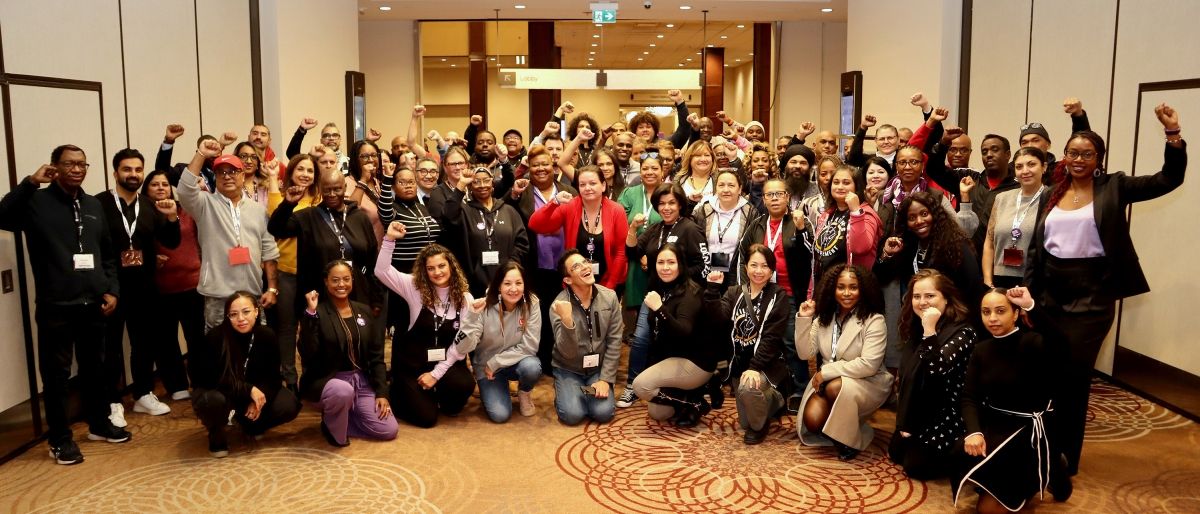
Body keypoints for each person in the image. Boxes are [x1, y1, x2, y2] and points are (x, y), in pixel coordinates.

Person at [1025, 104, 1185, 476]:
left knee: (1074, 376)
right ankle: (1041, 447)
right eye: (1073, 153)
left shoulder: (1115, 186)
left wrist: (1173, 135)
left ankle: (1065, 458)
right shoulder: (1052, 192)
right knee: (1047, 372)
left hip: (1092, 297)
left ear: (1098, 159)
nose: (1078, 160)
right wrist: (1030, 297)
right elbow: (1036, 248)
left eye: (1087, 154)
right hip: (1050, 294)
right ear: (1064, 156)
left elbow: (1168, 179)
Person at [0, 145, 131, 464]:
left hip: (93, 303)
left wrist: (112, 289)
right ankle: (60, 440)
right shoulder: (36, 202)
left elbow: (107, 253)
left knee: (95, 369)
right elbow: (2, 216)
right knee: (56, 376)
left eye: (82, 164)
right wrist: (31, 182)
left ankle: (99, 424)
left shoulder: (92, 205)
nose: (77, 169)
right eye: (69, 164)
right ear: (55, 167)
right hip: (56, 305)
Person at [952, 287, 1071, 512]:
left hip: (1028, 432)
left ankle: (1052, 464)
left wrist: (1031, 306)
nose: (992, 318)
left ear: (1016, 314)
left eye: (1000, 311)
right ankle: (1047, 465)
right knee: (962, 449)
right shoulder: (981, 350)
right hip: (996, 426)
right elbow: (969, 396)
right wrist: (974, 432)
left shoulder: (1033, 342)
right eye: (986, 312)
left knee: (987, 509)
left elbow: (1062, 343)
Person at [95, 149, 183, 419]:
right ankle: (112, 401)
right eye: (127, 169)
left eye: (137, 169)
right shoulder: (99, 204)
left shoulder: (148, 205)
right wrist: (102, 287)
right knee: (110, 347)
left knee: (144, 343)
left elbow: (171, 242)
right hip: (110, 288)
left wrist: (172, 217)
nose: (133, 174)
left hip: (144, 287)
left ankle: (143, 393)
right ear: (115, 173)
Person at [621, 182, 709, 408]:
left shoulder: (690, 229)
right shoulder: (656, 228)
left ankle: (691, 385)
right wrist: (632, 229)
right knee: (641, 339)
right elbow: (632, 251)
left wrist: (676, 277)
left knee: (677, 337)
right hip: (654, 295)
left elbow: (704, 266)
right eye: (661, 203)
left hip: (682, 297)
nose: (666, 208)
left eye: (672, 203)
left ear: (680, 205)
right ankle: (632, 385)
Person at [375, 231, 475, 428]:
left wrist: (435, 374)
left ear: (451, 266)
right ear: (424, 271)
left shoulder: (465, 299)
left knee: (463, 387)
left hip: (444, 364)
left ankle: (434, 394)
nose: (437, 272)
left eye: (441, 266)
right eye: (431, 268)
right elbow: (382, 271)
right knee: (426, 418)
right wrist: (389, 239)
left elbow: (461, 345)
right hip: (412, 367)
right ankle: (401, 391)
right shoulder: (414, 288)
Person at [178, 138, 280, 331]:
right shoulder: (204, 204)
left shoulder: (258, 210)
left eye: (233, 171)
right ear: (215, 177)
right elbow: (184, 190)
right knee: (219, 346)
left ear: (243, 175)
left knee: (255, 344)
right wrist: (201, 154)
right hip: (217, 295)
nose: (227, 176)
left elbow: (269, 251)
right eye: (221, 172)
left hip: (252, 293)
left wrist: (272, 288)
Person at [794, 264, 891, 460]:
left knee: (835, 387)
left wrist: (826, 372)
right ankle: (845, 425)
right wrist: (804, 318)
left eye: (853, 287)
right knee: (813, 421)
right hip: (828, 381)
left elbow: (869, 365)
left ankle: (849, 439)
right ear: (832, 289)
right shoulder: (823, 318)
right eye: (841, 287)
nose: (847, 293)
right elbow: (805, 354)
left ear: (863, 290)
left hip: (868, 381)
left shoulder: (874, 320)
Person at [889, 269, 978, 480]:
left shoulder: (964, 332)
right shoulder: (915, 328)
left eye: (930, 296)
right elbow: (908, 378)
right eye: (917, 296)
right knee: (896, 452)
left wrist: (930, 331)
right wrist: (908, 422)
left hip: (949, 413)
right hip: (922, 410)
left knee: (916, 468)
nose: (922, 302)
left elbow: (936, 369)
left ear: (946, 298)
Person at [190, 292, 301, 458]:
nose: (240, 319)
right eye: (233, 314)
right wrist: (249, 390)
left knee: (288, 404)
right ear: (227, 316)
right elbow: (210, 379)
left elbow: (273, 378)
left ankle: (251, 424)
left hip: (248, 394)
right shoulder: (216, 337)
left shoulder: (266, 335)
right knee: (212, 401)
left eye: (246, 312)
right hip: (220, 392)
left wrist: (257, 401)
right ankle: (216, 433)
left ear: (256, 311)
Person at [430, 262, 542, 422]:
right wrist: (472, 317)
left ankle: (524, 392)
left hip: (514, 362)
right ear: (498, 286)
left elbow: (530, 346)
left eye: (518, 283)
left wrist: (496, 362)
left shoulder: (532, 303)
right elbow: (462, 348)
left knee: (532, 367)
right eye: (507, 283)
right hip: (486, 367)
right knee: (500, 415)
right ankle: (490, 389)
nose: (514, 289)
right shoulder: (483, 306)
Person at [300, 262, 397, 447]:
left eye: (346, 279)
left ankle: (344, 416)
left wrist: (381, 392)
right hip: (330, 382)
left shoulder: (364, 311)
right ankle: (332, 424)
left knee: (388, 429)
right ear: (326, 282)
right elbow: (308, 353)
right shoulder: (317, 312)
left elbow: (376, 356)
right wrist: (310, 314)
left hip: (362, 381)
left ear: (352, 280)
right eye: (335, 280)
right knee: (343, 391)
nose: (341, 284)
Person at [269, 168, 383, 324]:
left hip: (358, 295)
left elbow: (372, 261)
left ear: (344, 187)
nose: (332, 194)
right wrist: (288, 204)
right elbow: (276, 229)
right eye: (327, 190)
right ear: (320, 189)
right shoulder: (308, 216)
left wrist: (377, 299)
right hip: (320, 298)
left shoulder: (360, 217)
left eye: (337, 189)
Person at [703, 245, 792, 444]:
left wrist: (754, 367)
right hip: (739, 367)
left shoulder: (778, 296)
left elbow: (771, 338)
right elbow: (717, 321)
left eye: (764, 266)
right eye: (754, 265)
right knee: (745, 422)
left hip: (765, 366)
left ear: (772, 270)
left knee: (750, 395)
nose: (758, 271)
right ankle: (767, 405)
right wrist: (712, 289)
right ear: (745, 267)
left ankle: (773, 403)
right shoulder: (734, 292)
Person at [739, 178, 815, 399]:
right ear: (763, 199)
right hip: (762, 293)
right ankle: (771, 384)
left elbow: (810, 255)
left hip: (790, 293)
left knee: (791, 341)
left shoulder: (800, 221)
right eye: (769, 195)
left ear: (787, 197)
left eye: (779, 194)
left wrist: (801, 230)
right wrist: (746, 291)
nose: (774, 198)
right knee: (762, 339)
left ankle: (801, 388)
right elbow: (743, 257)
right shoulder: (757, 224)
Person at [631, 243, 719, 428]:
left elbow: (683, 332)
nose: (665, 267)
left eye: (671, 262)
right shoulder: (658, 287)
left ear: (681, 264)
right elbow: (656, 333)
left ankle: (696, 402)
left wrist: (659, 309)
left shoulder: (691, 293)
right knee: (658, 413)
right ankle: (691, 394)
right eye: (660, 262)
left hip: (696, 361)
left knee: (640, 386)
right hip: (673, 357)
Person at [143, 169, 201, 411]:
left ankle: (200, 382)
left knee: (197, 338)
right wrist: (149, 258)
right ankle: (176, 385)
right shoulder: (143, 215)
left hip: (193, 284)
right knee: (165, 341)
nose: (160, 188)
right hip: (160, 288)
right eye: (154, 184)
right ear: (146, 190)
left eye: (165, 184)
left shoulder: (186, 211)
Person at [266, 154, 321, 390]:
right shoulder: (282, 196)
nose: (305, 174)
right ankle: (290, 379)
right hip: (286, 272)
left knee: (311, 327)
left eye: (310, 171)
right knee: (287, 328)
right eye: (300, 169)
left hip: (313, 275)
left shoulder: (320, 200)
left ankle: (311, 375)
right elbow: (274, 223)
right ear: (290, 172)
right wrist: (272, 178)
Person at [550, 250, 624, 425]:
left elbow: (614, 341)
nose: (585, 267)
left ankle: (579, 392)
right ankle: (570, 391)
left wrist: (605, 380)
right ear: (568, 280)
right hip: (568, 368)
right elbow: (567, 352)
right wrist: (567, 320)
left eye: (585, 262)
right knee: (572, 415)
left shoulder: (610, 297)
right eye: (576, 266)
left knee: (604, 413)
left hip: (597, 370)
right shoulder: (558, 306)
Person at [877, 191, 985, 308]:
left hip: (952, 314)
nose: (919, 221)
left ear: (935, 214)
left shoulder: (956, 246)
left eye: (924, 214)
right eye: (912, 218)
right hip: (919, 313)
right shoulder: (908, 246)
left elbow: (973, 289)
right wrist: (886, 253)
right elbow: (882, 277)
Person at [528, 166, 628, 290]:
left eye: (592, 183)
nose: (587, 188)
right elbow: (535, 224)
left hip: (608, 281)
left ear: (603, 186)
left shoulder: (616, 210)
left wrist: (609, 287)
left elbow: (620, 252)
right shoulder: (570, 207)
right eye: (582, 184)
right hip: (576, 283)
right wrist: (554, 202)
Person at [439, 165, 528, 297]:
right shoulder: (464, 211)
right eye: (476, 182)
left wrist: (510, 266)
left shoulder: (508, 211)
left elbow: (522, 243)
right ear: (470, 187)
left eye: (486, 180)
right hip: (474, 281)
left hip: (507, 279)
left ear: (493, 184)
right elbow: (448, 215)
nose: (482, 185)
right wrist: (461, 184)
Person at [983, 147, 1049, 288]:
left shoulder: (1052, 198)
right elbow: (989, 242)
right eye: (1019, 167)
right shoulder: (1002, 198)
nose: (1025, 171)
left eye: (1031, 164)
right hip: (1000, 280)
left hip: (1036, 280)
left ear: (1044, 167)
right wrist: (988, 281)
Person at [812, 164, 882, 279]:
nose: (840, 187)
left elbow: (860, 248)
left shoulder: (866, 213)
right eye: (836, 182)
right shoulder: (827, 214)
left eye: (846, 183)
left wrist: (855, 211)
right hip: (824, 283)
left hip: (851, 283)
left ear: (857, 187)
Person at [617, 153, 665, 314]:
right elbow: (619, 225)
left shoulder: (669, 193)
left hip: (663, 261)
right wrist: (641, 256)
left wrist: (651, 257)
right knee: (638, 313)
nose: (649, 172)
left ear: (662, 171)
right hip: (634, 260)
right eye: (645, 168)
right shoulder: (629, 193)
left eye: (654, 168)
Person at [692, 169, 756, 290]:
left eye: (731, 185)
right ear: (716, 188)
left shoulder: (750, 212)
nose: (726, 190)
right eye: (721, 185)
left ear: (740, 189)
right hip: (705, 273)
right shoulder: (703, 210)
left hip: (735, 275)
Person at [346, 140, 387, 243]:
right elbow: (350, 213)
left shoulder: (377, 182)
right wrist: (363, 179)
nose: (371, 160)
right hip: (363, 246)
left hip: (384, 246)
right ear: (355, 160)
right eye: (364, 156)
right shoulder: (346, 182)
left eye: (374, 155)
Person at [675, 140, 716, 206]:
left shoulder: (720, 179)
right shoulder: (678, 181)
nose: (703, 159)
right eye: (698, 155)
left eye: (707, 155)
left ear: (712, 159)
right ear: (690, 159)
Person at [232, 142, 270, 211]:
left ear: (258, 162)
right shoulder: (230, 185)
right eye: (243, 156)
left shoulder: (267, 185)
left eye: (254, 157)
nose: (249, 161)